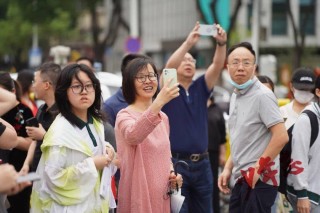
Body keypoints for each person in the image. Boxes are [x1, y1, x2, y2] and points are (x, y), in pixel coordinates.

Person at [30, 63, 116, 212]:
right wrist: (92, 164)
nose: (84, 92)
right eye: (77, 87)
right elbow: (53, 178)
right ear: (64, 92)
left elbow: (92, 152)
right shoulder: (60, 132)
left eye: (89, 86)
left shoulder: (96, 123)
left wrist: (108, 150)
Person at [161, 22, 227, 212]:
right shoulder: (169, 88)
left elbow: (216, 65)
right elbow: (169, 66)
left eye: (192, 60)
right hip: (176, 164)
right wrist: (189, 43)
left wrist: (221, 44)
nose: (188, 62)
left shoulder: (201, 86)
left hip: (203, 164)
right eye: (185, 60)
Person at [217, 42, 288, 213]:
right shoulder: (235, 95)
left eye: (246, 62)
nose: (240, 67)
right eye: (235, 62)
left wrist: (257, 169)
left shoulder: (263, 95)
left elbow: (281, 136)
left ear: (254, 67)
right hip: (241, 179)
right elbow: (241, 139)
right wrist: (227, 168)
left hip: (261, 180)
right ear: (227, 67)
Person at [115, 57, 183, 213]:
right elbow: (134, 135)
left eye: (152, 75)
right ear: (129, 83)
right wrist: (158, 103)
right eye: (141, 77)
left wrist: (173, 175)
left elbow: (166, 156)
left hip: (162, 197)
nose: (148, 81)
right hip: (138, 196)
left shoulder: (163, 118)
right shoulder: (124, 116)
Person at [0, 73, 34, 213]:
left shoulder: (24, 111)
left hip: (18, 168)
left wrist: (13, 141)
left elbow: (30, 142)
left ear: (12, 91)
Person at [22, 62, 61, 174]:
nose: (33, 85)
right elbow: (34, 142)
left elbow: (65, 147)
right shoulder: (41, 109)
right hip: (37, 174)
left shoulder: (63, 113)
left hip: (54, 176)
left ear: (46, 85)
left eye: (35, 81)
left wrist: (44, 136)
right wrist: (26, 165)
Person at [103, 53, 150, 127]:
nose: (148, 81)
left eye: (150, 75)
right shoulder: (110, 106)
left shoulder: (153, 101)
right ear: (127, 76)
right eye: (141, 76)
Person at [207, 93, 226, 213]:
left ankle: (215, 209)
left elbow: (222, 135)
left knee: (213, 182)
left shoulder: (217, 110)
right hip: (200, 152)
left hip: (213, 152)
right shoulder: (197, 108)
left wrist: (222, 154)